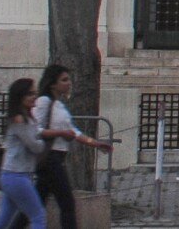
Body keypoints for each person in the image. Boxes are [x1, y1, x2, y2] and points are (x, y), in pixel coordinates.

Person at [9, 65, 112, 229]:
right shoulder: (43, 102)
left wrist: (94, 143)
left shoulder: (59, 105)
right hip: (50, 158)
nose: (69, 83)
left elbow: (73, 131)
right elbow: (35, 130)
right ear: (53, 84)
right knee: (67, 203)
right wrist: (60, 133)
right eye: (64, 80)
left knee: (36, 203)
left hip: (56, 158)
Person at [0, 78, 69, 229]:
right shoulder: (20, 120)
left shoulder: (27, 118)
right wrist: (45, 139)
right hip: (16, 176)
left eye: (34, 93)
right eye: (29, 94)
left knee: (3, 219)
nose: (34, 97)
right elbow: (35, 146)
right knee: (38, 216)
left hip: (15, 175)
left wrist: (42, 135)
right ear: (20, 96)